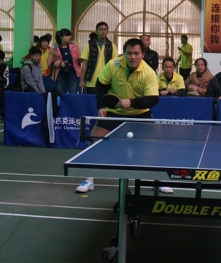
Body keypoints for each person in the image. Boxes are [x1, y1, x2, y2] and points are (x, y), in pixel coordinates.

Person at [76, 38, 160, 193]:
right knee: (94, 140)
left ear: (142, 54)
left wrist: (131, 102)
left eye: (136, 53)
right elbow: (101, 85)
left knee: (152, 146)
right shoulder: (113, 65)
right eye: (129, 53)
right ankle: (89, 179)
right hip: (114, 111)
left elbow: (153, 99)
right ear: (124, 53)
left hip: (140, 113)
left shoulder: (149, 73)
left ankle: (157, 179)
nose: (132, 57)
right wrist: (101, 106)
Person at [80, 22, 114, 94]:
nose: (103, 31)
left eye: (105, 29)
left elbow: (114, 65)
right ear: (96, 31)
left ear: (108, 32)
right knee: (92, 101)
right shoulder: (89, 45)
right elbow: (85, 63)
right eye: (100, 29)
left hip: (106, 81)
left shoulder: (112, 46)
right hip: (91, 82)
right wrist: (81, 80)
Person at [49, 29, 82, 94]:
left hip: (72, 73)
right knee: (61, 94)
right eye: (66, 36)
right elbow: (50, 63)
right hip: (60, 74)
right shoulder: (54, 48)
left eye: (69, 36)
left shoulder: (74, 46)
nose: (69, 37)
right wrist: (60, 63)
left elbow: (79, 55)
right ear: (61, 37)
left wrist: (80, 59)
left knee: (73, 94)